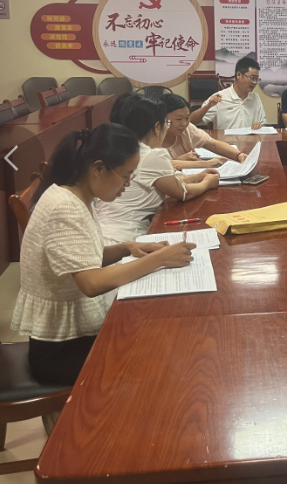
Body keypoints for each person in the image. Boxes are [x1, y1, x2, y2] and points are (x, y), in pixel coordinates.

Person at [11, 124, 195, 385]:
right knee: (158, 360)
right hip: (59, 349)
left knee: (159, 341)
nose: (127, 185)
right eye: (126, 176)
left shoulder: (76, 194)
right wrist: (160, 259)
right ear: (98, 168)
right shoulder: (65, 208)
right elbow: (91, 283)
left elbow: (85, 257)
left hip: (71, 335)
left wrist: (126, 248)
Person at [96, 96, 220, 244]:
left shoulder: (124, 149)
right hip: (124, 237)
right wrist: (207, 183)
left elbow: (164, 180)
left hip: (103, 232)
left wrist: (197, 176)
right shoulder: (152, 155)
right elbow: (183, 193)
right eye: (166, 123)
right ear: (157, 127)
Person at [161, 94, 248, 169]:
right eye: (179, 119)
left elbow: (214, 144)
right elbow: (158, 165)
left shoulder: (187, 129)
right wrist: (205, 164)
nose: (184, 123)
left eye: (187, 118)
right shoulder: (154, 137)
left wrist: (238, 154)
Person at [190, 57, 267, 132]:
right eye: (252, 78)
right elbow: (191, 120)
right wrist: (207, 106)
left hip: (250, 140)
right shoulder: (220, 97)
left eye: (256, 79)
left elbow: (263, 124)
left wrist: (259, 126)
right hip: (224, 140)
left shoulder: (255, 98)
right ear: (239, 75)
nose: (254, 82)